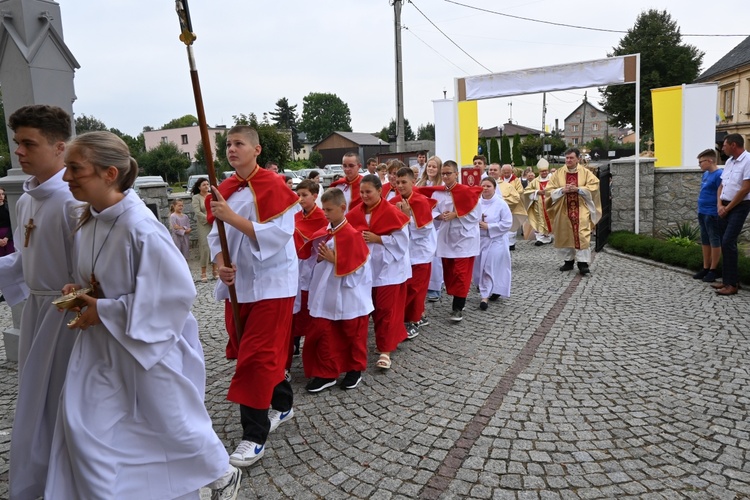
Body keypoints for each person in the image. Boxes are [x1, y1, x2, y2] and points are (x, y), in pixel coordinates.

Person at [46, 131, 241, 500]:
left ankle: (220, 472)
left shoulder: (141, 227)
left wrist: (102, 308)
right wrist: (81, 293)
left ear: (109, 173)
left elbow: (173, 294)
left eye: (75, 168)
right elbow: (99, 278)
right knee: (85, 428)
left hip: (147, 347)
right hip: (102, 348)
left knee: (172, 425)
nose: (66, 177)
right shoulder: (88, 219)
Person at [206, 125, 300, 467]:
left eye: (239, 143)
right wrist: (221, 264)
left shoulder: (275, 186)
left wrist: (231, 217)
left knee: (257, 358)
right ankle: (284, 403)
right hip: (240, 284)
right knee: (248, 348)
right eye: (228, 144)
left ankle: (254, 436)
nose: (232, 149)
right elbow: (217, 237)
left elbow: (279, 235)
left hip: (273, 284)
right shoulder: (225, 189)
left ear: (256, 150)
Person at [0, 104, 79, 499]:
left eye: (29, 143)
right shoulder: (26, 200)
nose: (20, 151)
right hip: (36, 313)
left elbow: (90, 267)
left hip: (68, 319)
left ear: (59, 147)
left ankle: (71, 481)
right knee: (37, 401)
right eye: (17, 143)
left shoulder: (73, 202)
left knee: (64, 401)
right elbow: (23, 259)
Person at [302, 188, 373, 392]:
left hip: (350, 294)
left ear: (343, 208)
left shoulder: (352, 234)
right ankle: (326, 373)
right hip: (327, 292)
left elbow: (362, 268)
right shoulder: (326, 232)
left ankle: (354, 370)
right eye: (323, 210)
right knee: (326, 333)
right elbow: (313, 258)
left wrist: (337, 260)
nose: (325, 214)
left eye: (329, 210)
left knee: (352, 333)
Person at [347, 174, 411, 370]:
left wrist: (378, 238)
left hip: (388, 269)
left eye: (369, 192)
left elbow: (402, 242)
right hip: (365, 268)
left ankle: (385, 350)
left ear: (379, 191)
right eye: (362, 192)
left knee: (386, 310)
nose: (364, 196)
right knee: (367, 308)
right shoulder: (354, 213)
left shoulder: (391, 212)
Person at [419, 160, 482, 322]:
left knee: (461, 273)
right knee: (450, 272)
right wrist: (438, 216)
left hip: (465, 237)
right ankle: (460, 297)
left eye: (449, 173)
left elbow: (476, 215)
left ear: (456, 174)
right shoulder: (438, 193)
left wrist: (456, 214)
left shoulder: (467, 192)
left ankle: (458, 307)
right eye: (443, 173)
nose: (445, 176)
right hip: (447, 236)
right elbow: (432, 210)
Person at [391, 167, 436, 338]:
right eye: (398, 182)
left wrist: (406, 217)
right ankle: (416, 315)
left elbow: (423, 231)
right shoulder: (395, 200)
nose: (400, 186)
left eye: (404, 182)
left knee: (416, 289)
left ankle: (412, 320)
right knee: (407, 287)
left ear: (412, 182)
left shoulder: (420, 201)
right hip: (404, 253)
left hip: (420, 253)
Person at [289, 179, 327, 371]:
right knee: (295, 308)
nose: (300, 199)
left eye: (304, 195)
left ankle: (310, 345)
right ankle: (294, 341)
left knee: (308, 307)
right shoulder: (295, 217)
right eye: (298, 195)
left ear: (314, 196)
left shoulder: (322, 218)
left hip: (313, 269)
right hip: (296, 267)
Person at [544, 148, 601, 275]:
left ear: (578, 159)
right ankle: (568, 261)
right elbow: (549, 190)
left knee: (582, 233)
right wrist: (562, 190)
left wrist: (578, 189)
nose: (568, 160)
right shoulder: (558, 173)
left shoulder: (586, 173)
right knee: (565, 233)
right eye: (567, 158)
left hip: (581, 208)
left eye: (571, 158)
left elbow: (594, 187)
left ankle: (583, 263)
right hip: (563, 208)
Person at [712, 134, 750, 295]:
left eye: (725, 145)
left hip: (740, 206)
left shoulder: (748, 160)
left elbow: (745, 188)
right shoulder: (729, 162)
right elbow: (722, 185)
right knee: (725, 242)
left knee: (728, 241)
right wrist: (720, 204)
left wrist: (727, 209)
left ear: (734, 145)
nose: (722, 148)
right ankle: (728, 280)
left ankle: (732, 284)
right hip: (725, 205)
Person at [473, 177, 513, 310]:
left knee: (488, 267)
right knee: (479, 267)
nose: (485, 188)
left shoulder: (501, 204)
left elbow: (507, 223)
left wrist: (489, 226)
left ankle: (484, 297)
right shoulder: (477, 203)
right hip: (480, 241)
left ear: (494, 188)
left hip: (496, 240)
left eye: (488, 186)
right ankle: (491, 289)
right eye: (483, 186)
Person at [692, 149, 723, 283]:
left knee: (714, 240)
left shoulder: (719, 175)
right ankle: (705, 267)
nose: (699, 165)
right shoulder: (705, 174)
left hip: (712, 213)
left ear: (710, 161)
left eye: (701, 162)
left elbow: (720, 194)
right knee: (705, 240)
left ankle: (713, 269)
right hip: (702, 211)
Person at [192, 177, 217, 281]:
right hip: (204, 223)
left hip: (214, 222)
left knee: (215, 245)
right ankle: (203, 272)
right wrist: (207, 218)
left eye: (207, 184)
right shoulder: (196, 197)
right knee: (205, 247)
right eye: (204, 185)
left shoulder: (212, 196)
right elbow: (197, 212)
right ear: (199, 187)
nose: (206, 186)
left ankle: (215, 270)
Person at [523, 159, 554, 246]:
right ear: (539, 172)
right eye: (542, 171)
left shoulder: (552, 180)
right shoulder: (535, 181)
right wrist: (537, 192)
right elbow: (526, 191)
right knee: (539, 220)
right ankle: (540, 238)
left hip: (550, 204)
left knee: (550, 220)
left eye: (545, 171)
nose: (544, 173)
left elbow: (557, 188)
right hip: (538, 206)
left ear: (548, 171)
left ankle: (548, 237)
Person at [499, 164, 527, 250]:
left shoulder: (516, 181)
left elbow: (520, 191)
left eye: (508, 172)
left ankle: (511, 243)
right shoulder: (500, 180)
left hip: (513, 205)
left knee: (512, 225)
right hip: (502, 205)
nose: (506, 174)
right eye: (504, 172)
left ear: (512, 171)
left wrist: (508, 198)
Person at [0, 187, 15, 256]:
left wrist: (6, 238)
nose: (1, 196)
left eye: (3, 194)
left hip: (9, 237)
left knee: (11, 257)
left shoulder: (9, 207)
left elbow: (13, 222)